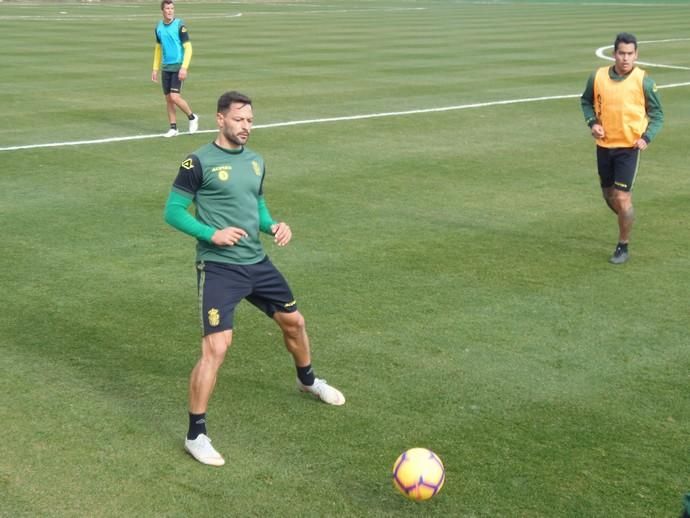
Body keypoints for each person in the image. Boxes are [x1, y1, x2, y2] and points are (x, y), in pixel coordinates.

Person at [164, 90, 346, 467]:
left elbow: (256, 205)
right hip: (219, 267)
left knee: (294, 323)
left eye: (249, 120)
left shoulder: (256, 161)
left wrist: (273, 225)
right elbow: (173, 211)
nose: (246, 126)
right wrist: (210, 234)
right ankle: (195, 434)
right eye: (239, 119)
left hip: (257, 263)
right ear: (220, 119)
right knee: (217, 348)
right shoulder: (197, 162)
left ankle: (307, 380)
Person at [580, 32, 663, 264]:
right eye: (621, 53)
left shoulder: (644, 81)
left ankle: (622, 245)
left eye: (630, 54)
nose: (626, 58)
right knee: (608, 196)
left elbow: (657, 114)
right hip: (604, 146)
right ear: (614, 54)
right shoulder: (597, 77)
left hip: (629, 147)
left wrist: (646, 138)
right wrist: (593, 123)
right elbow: (586, 101)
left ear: (636, 55)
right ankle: (627, 219)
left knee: (622, 197)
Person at [152, 0, 199, 138]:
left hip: (178, 66)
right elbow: (158, 49)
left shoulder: (180, 25)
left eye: (172, 8)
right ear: (162, 10)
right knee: (168, 99)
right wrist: (155, 68)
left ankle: (192, 117)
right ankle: (173, 128)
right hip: (166, 67)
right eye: (167, 8)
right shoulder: (158, 27)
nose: (170, 11)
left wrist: (184, 67)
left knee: (175, 97)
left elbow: (188, 48)